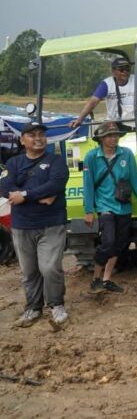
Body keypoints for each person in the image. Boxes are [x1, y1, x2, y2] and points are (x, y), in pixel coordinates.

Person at [0, 123, 69, 329]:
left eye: (41, 134)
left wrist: (25, 195)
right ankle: (33, 307)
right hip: (22, 225)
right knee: (29, 271)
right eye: (32, 135)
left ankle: (57, 305)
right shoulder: (13, 163)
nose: (38, 138)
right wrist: (39, 195)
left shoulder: (56, 161)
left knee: (50, 267)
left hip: (51, 223)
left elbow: (56, 184)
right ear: (22, 140)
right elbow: (5, 187)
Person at [82, 122, 137, 293]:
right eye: (109, 135)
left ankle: (106, 279)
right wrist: (89, 211)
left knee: (119, 244)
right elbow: (88, 185)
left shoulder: (126, 154)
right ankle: (95, 279)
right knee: (108, 242)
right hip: (104, 206)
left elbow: (134, 180)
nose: (113, 138)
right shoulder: (91, 157)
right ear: (101, 139)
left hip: (123, 206)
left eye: (115, 135)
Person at [69, 57, 137, 129]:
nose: (125, 72)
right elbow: (93, 102)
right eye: (121, 69)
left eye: (128, 69)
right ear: (113, 72)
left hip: (134, 121)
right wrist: (79, 119)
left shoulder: (136, 80)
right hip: (114, 123)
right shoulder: (106, 84)